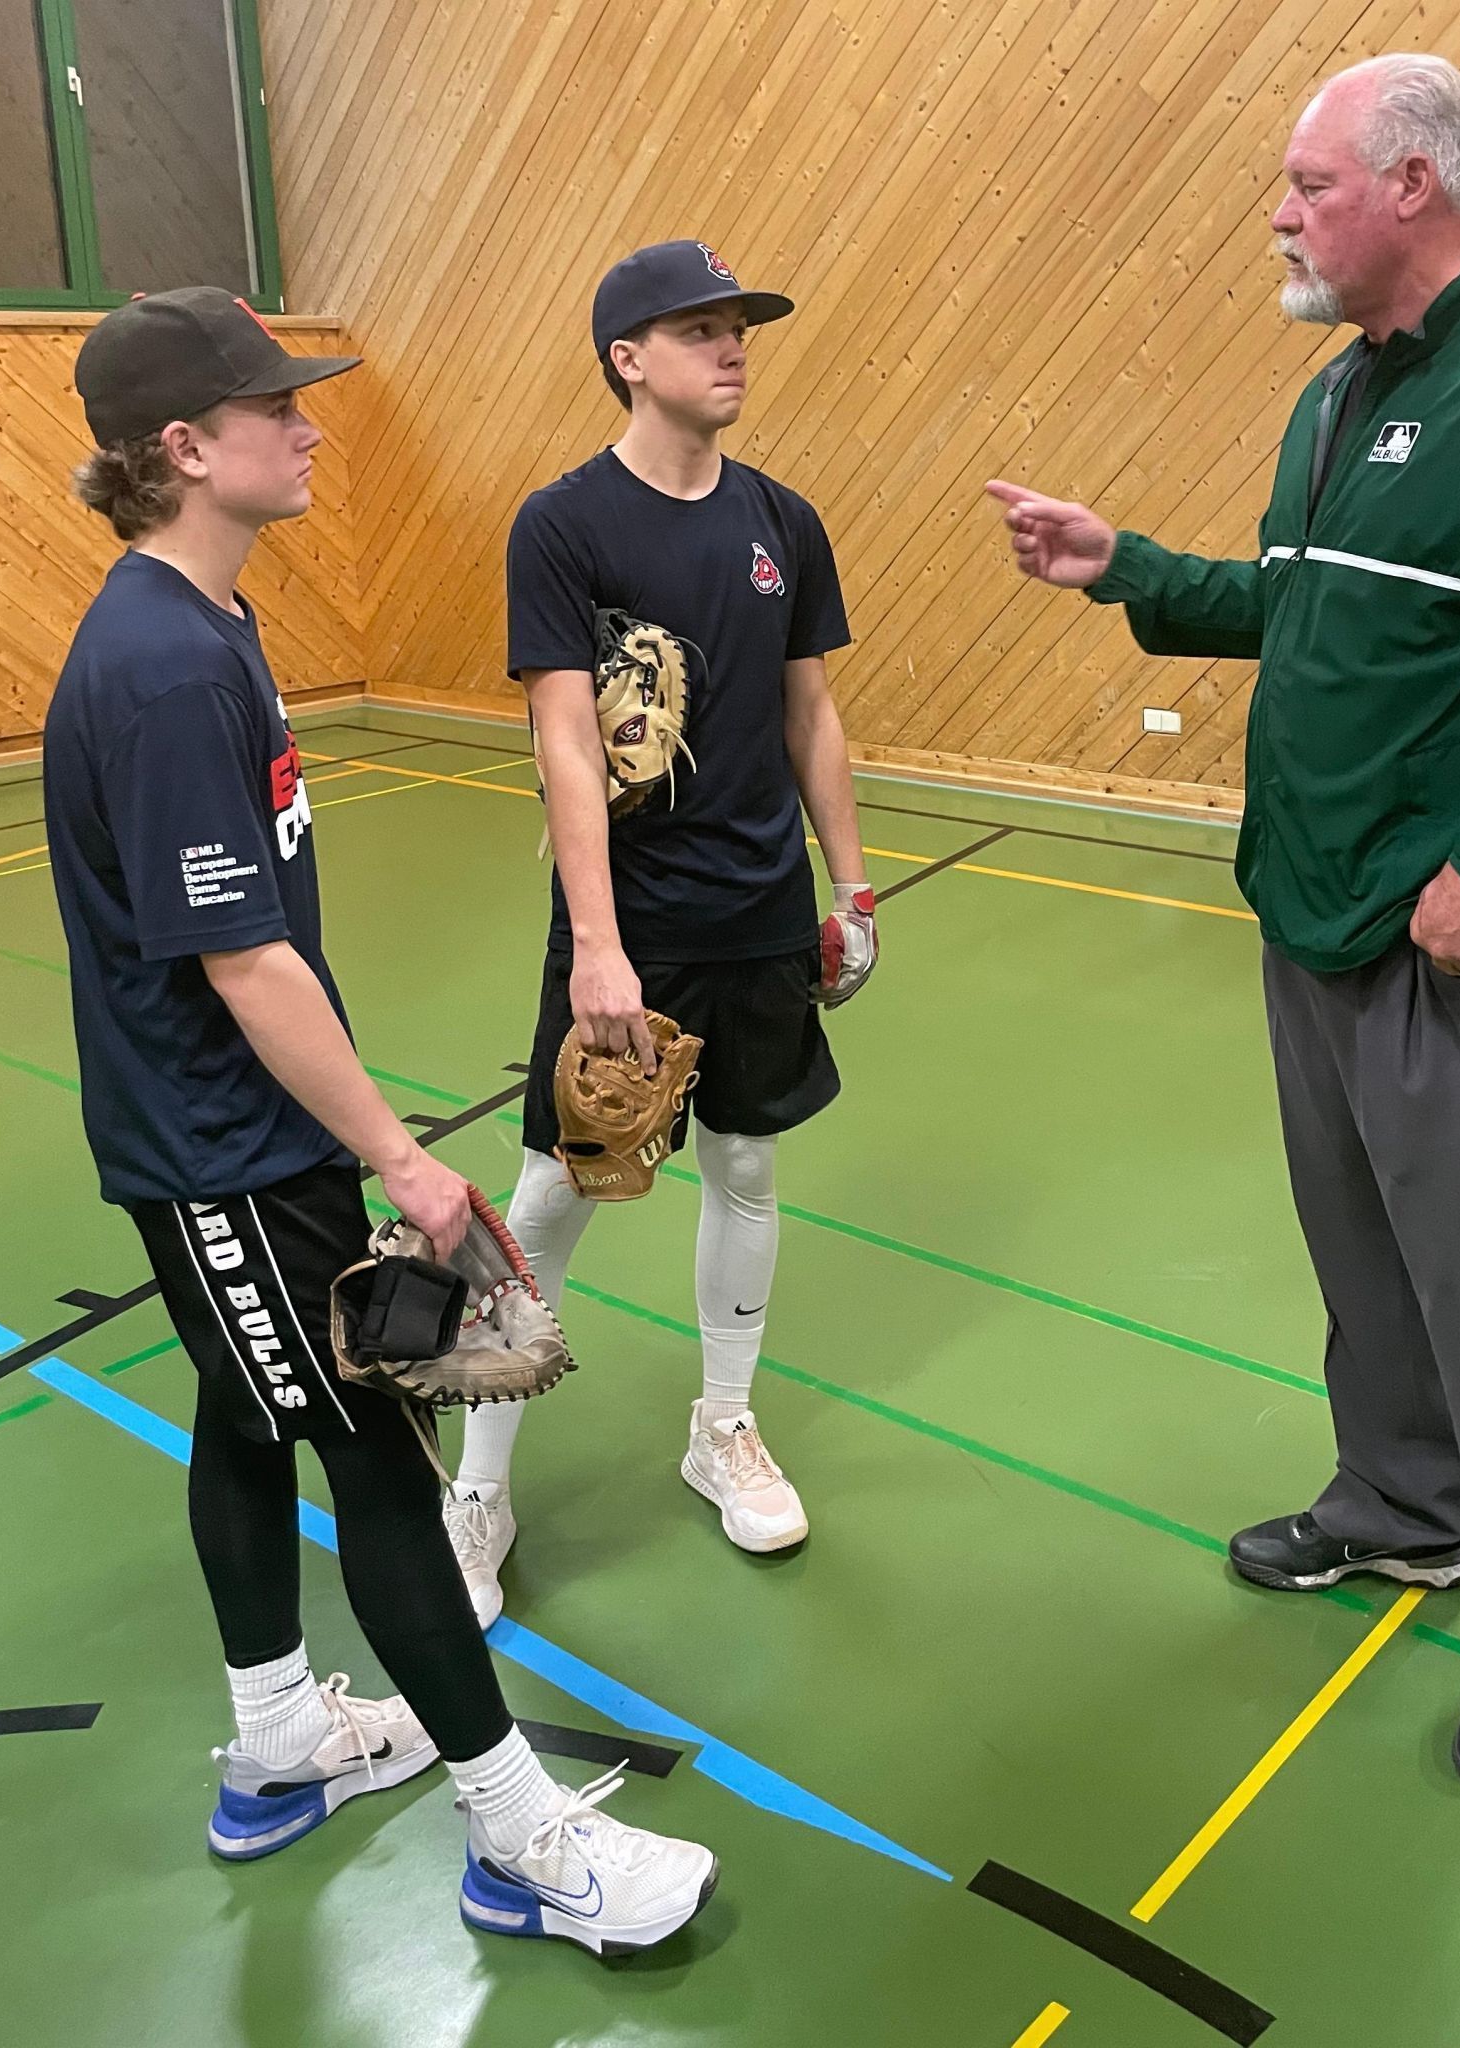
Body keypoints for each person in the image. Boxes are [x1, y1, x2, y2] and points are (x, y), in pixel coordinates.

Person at [988, 54, 1460, 1795]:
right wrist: (1132, 569)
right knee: (1362, 1256)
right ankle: (1403, 1508)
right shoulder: (1335, 398)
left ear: (1413, 186)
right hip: (1308, 913)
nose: (1279, 210)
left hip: (1450, 937)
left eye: (1307, 182)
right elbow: (1310, 613)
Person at [43, 288, 718, 1952]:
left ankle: (279, 1742)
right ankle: (517, 1843)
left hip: (234, 1140)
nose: (314, 423)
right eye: (279, 407)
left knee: (238, 1405)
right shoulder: (160, 669)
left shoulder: (206, 627)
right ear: (184, 450)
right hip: (219, 1149)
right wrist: (408, 1164)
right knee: (379, 1457)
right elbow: (244, 961)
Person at [443, 241, 876, 1624]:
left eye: (739, 328)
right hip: (632, 926)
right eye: (699, 331)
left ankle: (722, 1428)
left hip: (759, 918)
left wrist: (847, 889)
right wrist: (596, 944)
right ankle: (478, 1486)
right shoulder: (564, 524)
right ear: (628, 357)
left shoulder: (780, 519)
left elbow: (809, 711)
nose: (732, 349)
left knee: (744, 1166)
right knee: (557, 1192)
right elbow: (565, 742)